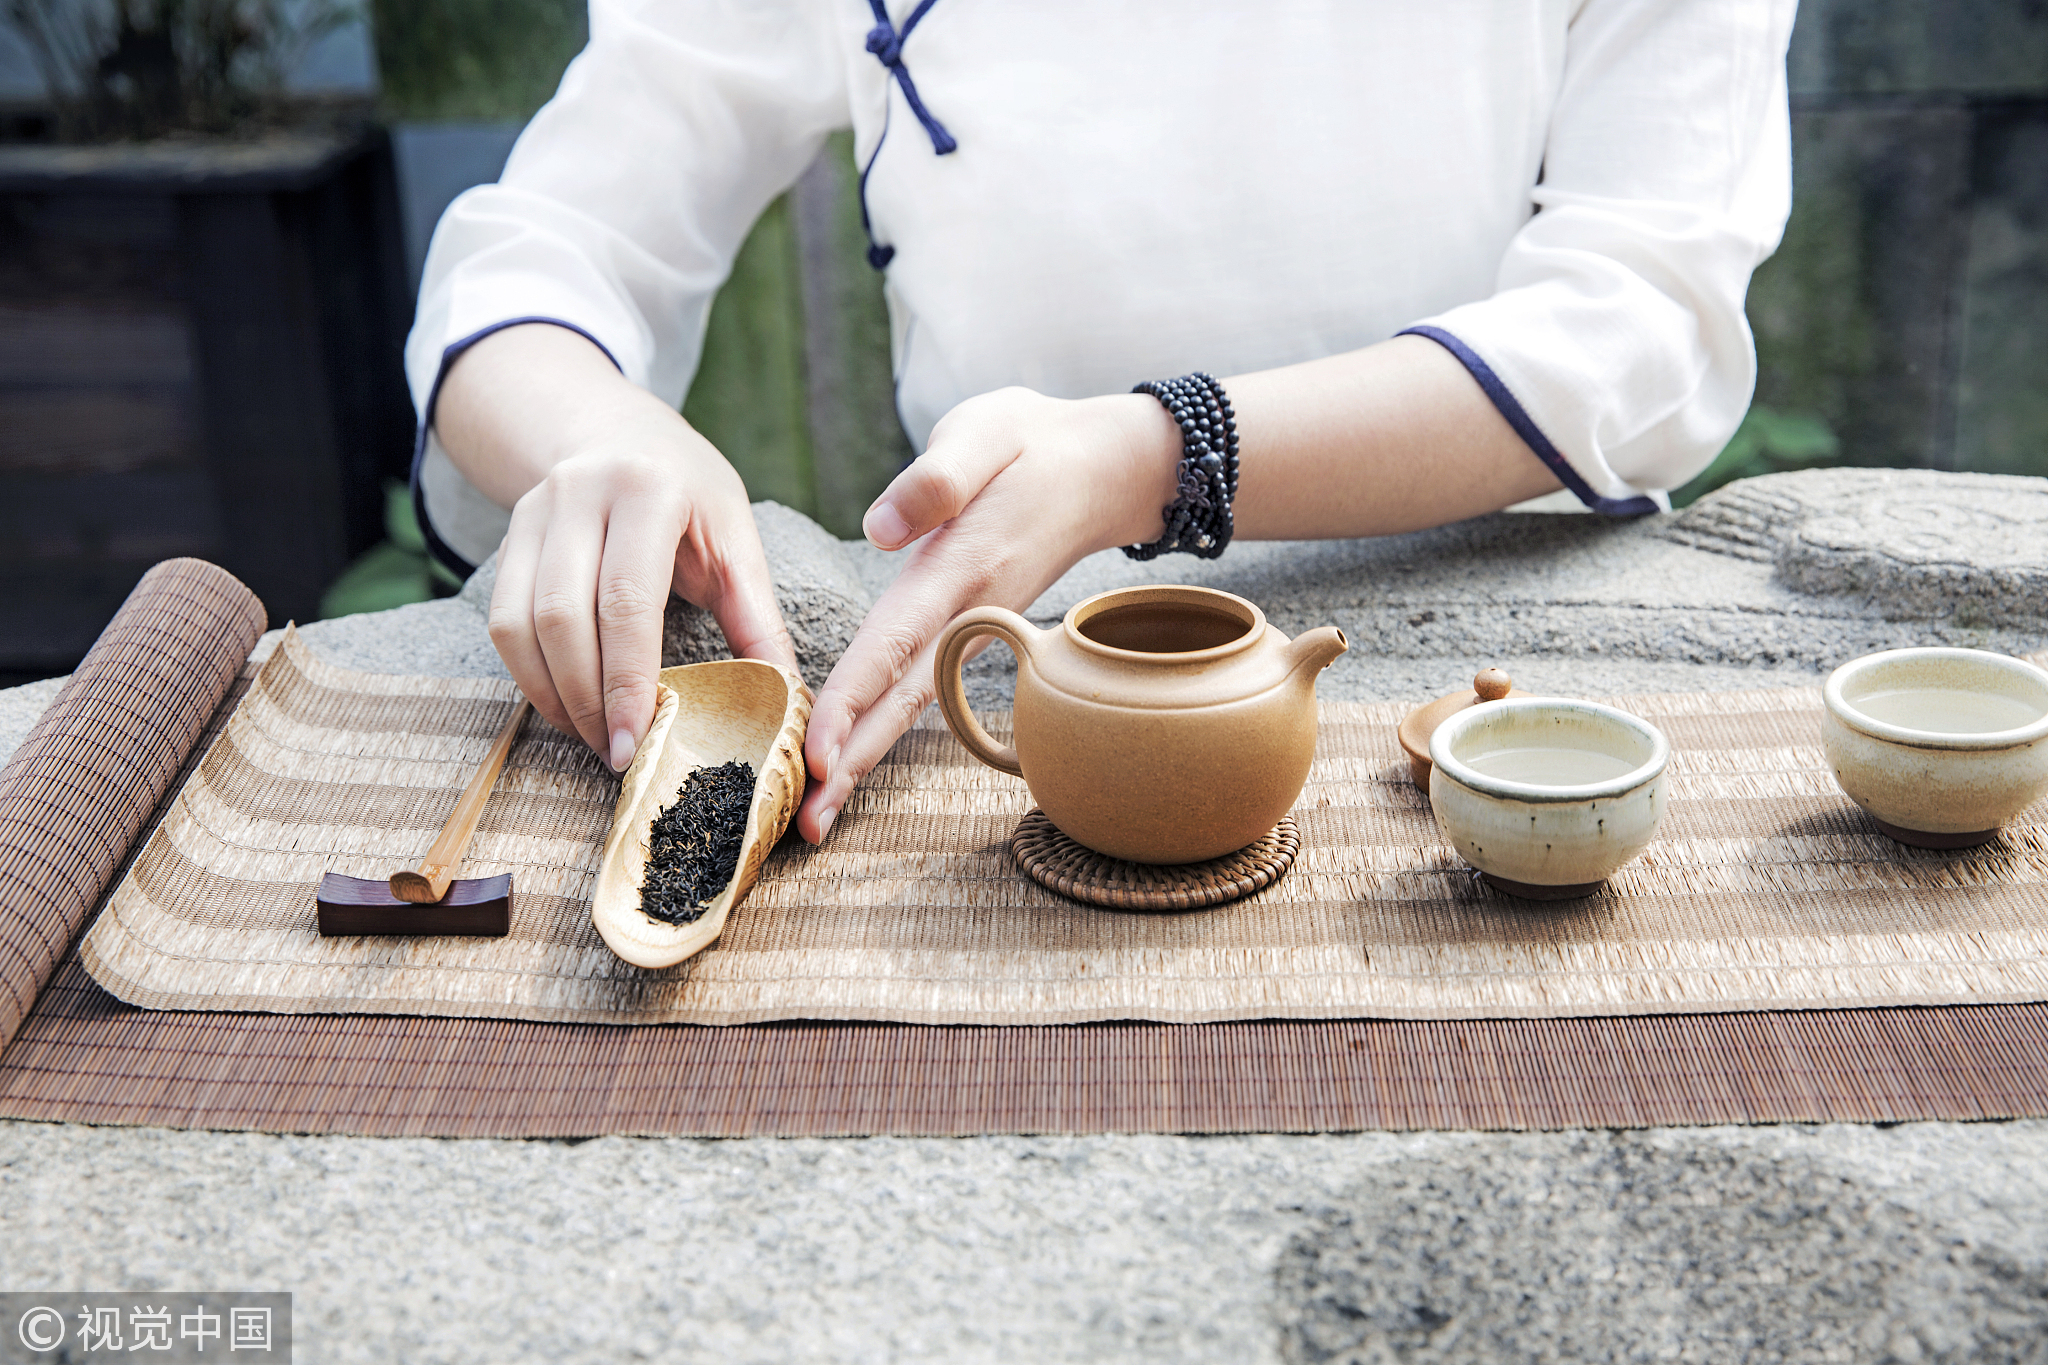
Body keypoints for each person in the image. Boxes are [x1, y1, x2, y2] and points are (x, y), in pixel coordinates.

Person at [406, 0, 1796, 845]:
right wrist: (601, 435)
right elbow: (546, 251)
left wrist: (1157, 454)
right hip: (1007, 705)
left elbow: (1643, 323)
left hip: (1495, 703)